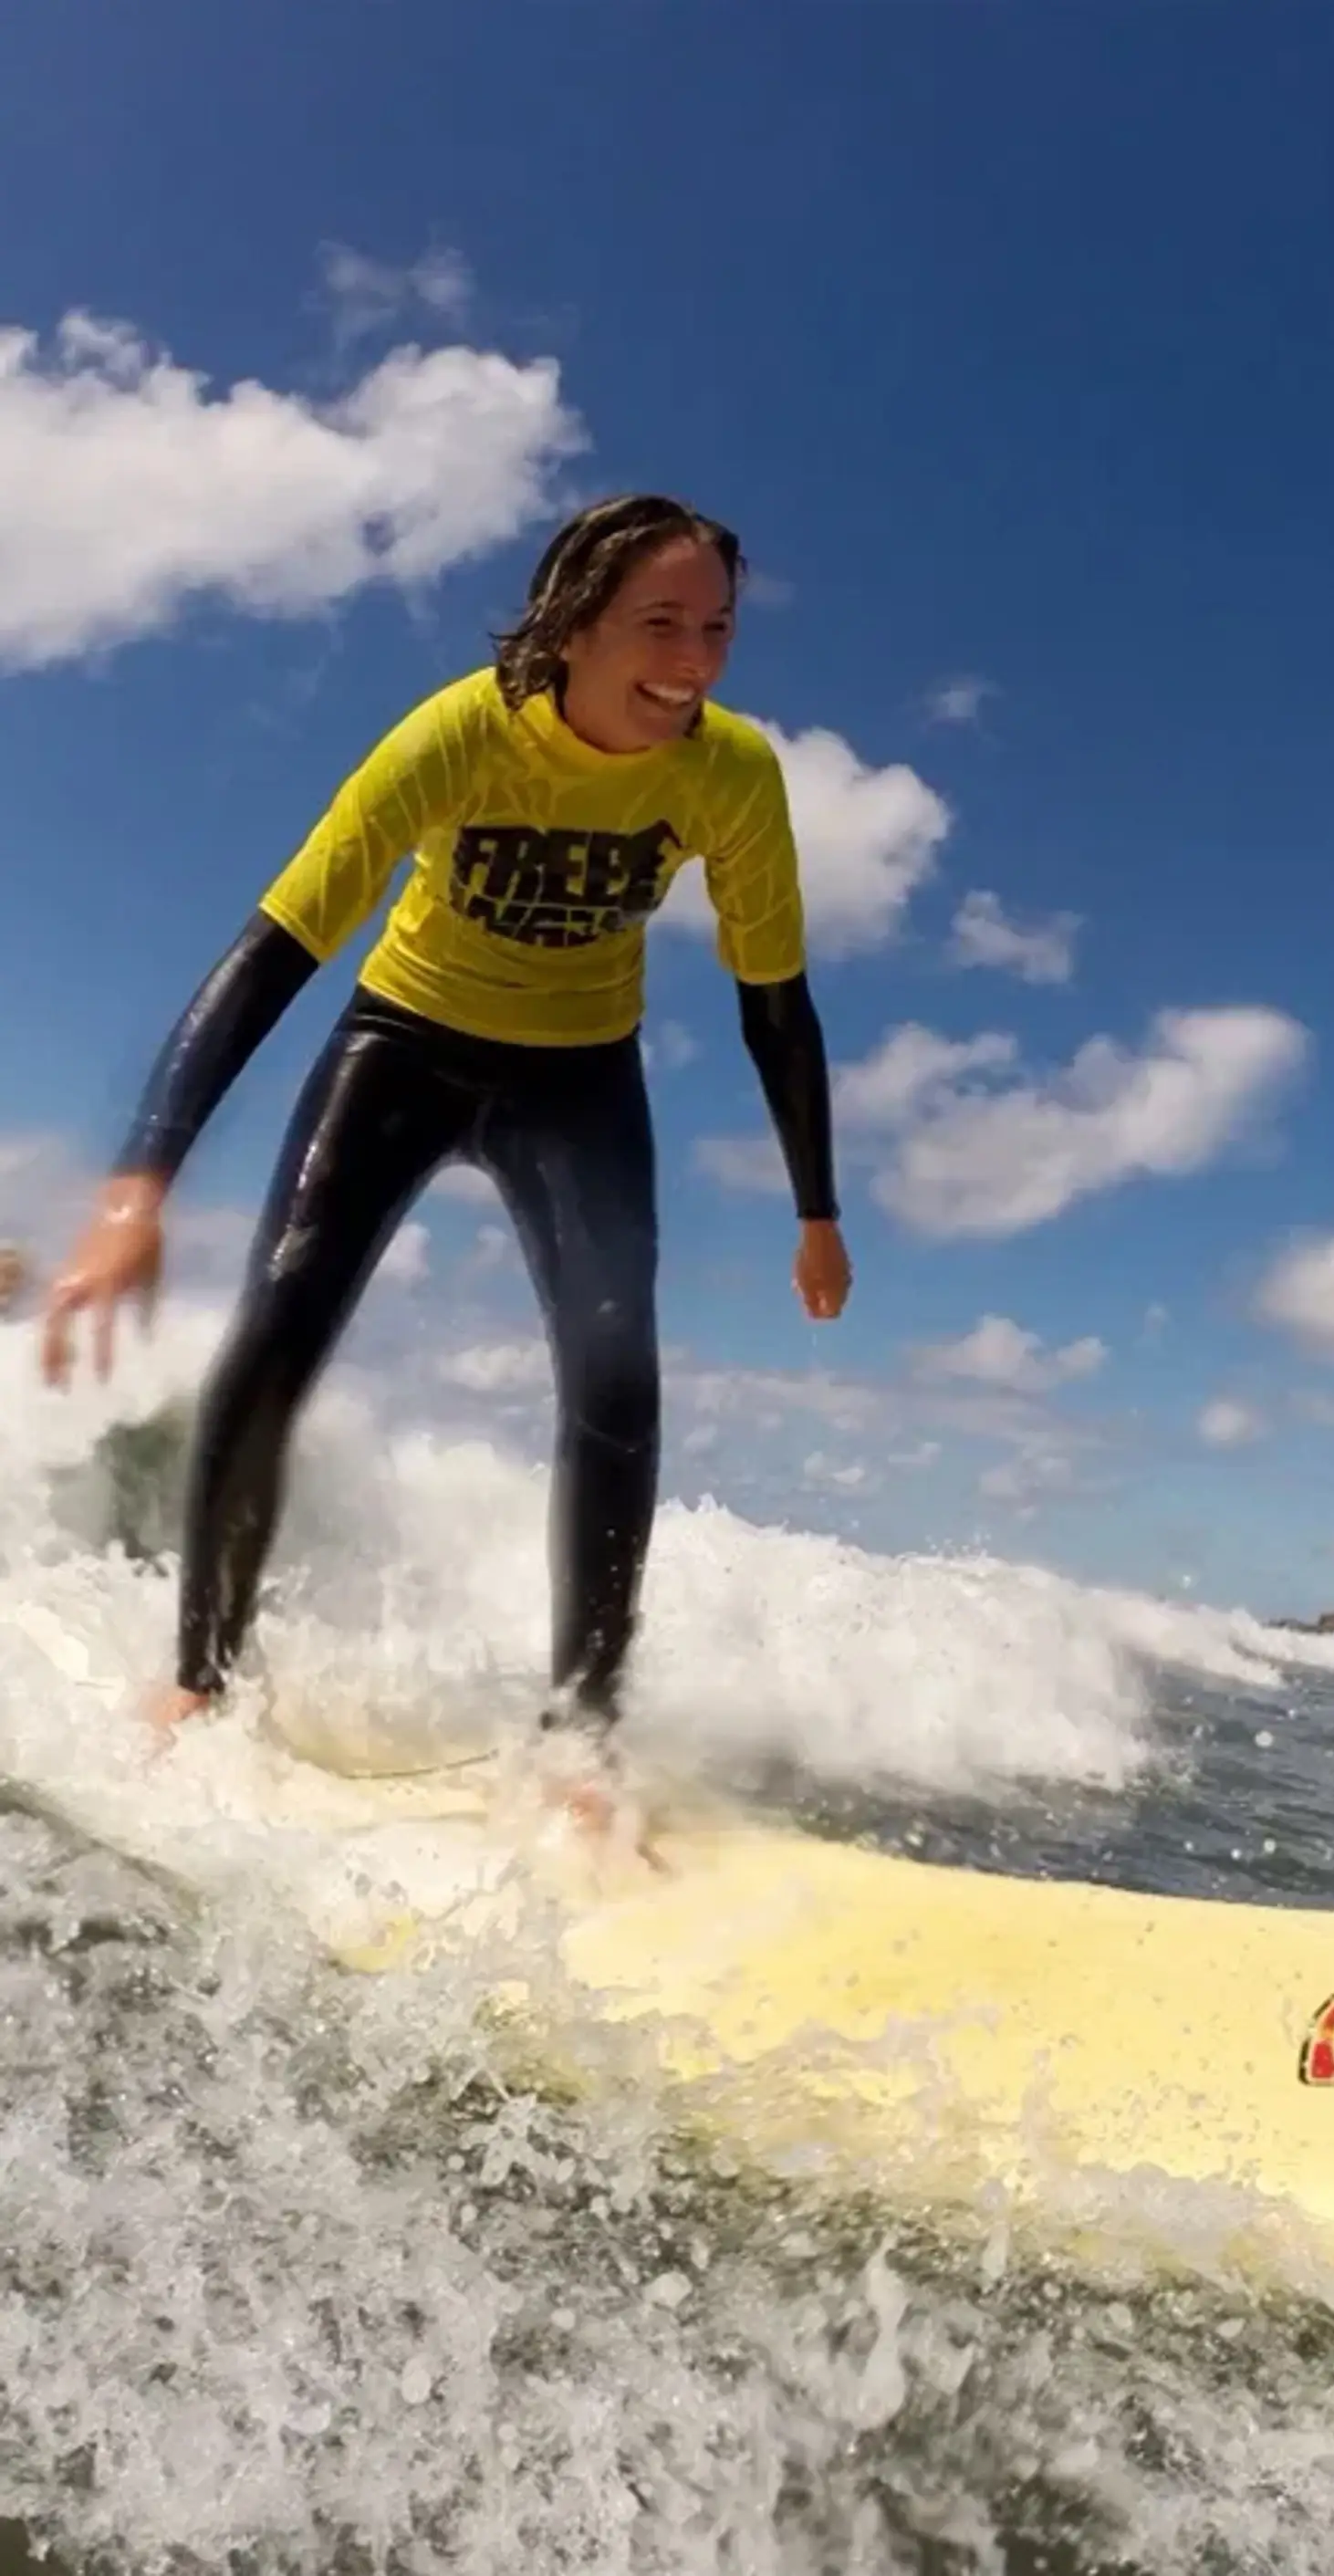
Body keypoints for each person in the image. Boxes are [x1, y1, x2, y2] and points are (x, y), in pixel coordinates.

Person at [39, 492, 852, 1821]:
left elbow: (776, 1001)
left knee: (617, 1388)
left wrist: (816, 1206)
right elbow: (278, 947)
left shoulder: (731, 774)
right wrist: (140, 1183)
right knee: (281, 1328)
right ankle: (201, 1678)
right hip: (403, 1046)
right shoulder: (461, 732)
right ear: (572, 625)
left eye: (717, 628)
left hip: (581, 1074)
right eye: (660, 624)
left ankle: (582, 1740)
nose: (694, 661)